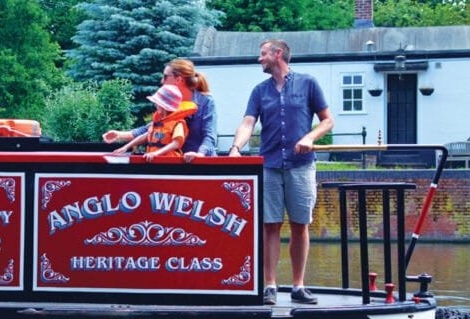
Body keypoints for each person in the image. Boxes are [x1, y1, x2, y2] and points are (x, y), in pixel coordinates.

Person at [228, 39, 334, 305]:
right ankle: (271, 286)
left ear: (278, 54)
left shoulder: (308, 83)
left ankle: (298, 286)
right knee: (270, 226)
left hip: (301, 165)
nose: (259, 59)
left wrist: (310, 138)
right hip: (270, 165)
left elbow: (328, 120)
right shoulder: (259, 91)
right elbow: (248, 122)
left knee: (300, 225)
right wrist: (235, 148)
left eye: (263, 54)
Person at [104, 59, 217, 163]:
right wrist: (119, 135)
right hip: (175, 162)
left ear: (179, 80)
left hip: (200, 163)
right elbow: (150, 128)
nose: (162, 81)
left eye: (165, 76)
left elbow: (210, 135)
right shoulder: (169, 102)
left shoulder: (206, 101)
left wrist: (200, 154)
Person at [113, 84, 196, 161]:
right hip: (155, 161)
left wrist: (156, 153)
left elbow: (176, 143)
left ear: (164, 106)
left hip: (169, 163)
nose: (155, 105)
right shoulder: (158, 122)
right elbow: (145, 136)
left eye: (157, 103)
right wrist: (126, 147)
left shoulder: (178, 123)